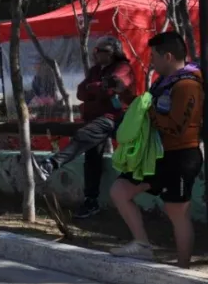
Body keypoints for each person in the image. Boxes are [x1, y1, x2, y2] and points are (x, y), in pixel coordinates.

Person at [110, 31, 203, 267]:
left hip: (181, 156)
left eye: (154, 56)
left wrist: (149, 112)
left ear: (168, 56)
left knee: (177, 211)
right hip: (156, 155)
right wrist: (126, 94)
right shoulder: (162, 82)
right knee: (120, 190)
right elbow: (145, 107)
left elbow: (177, 127)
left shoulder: (187, 85)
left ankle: (183, 268)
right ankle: (142, 245)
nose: (151, 61)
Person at [34, 37, 136, 219]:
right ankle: (91, 201)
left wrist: (97, 88)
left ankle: (52, 164)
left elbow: (117, 85)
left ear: (113, 53)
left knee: (83, 135)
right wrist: (98, 88)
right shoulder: (96, 70)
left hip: (114, 118)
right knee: (91, 158)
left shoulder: (123, 67)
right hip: (96, 118)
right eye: (97, 51)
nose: (97, 54)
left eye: (102, 51)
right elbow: (81, 92)